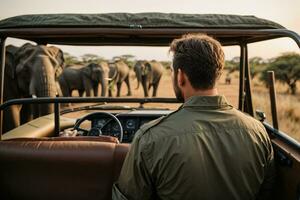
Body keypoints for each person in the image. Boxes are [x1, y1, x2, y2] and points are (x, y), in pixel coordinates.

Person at [112, 34, 275, 200]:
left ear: (181, 76)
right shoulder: (257, 131)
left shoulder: (150, 137)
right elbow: (268, 192)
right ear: (217, 74)